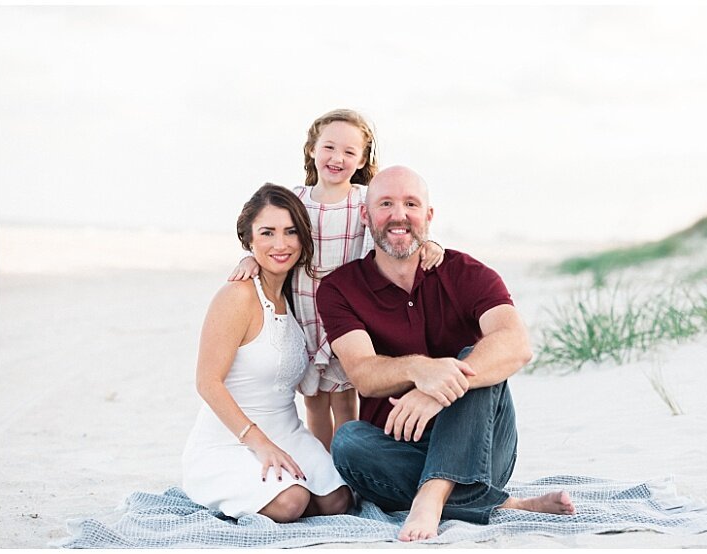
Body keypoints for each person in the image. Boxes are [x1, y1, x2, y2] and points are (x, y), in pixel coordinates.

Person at [316, 166, 574, 542]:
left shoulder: (467, 273)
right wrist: (421, 369)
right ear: (366, 215)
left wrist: (435, 391)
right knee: (348, 441)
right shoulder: (340, 288)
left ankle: (432, 495)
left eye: (411, 203)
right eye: (385, 203)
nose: (399, 215)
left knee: (477, 356)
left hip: (483, 446)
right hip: (396, 451)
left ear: (429, 216)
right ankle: (504, 505)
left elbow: (516, 343)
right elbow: (365, 375)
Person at [229, 110, 442, 450]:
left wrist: (429, 244)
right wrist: (248, 258)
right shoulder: (296, 199)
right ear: (312, 148)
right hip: (305, 310)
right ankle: (323, 464)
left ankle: (347, 466)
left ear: (361, 159)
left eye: (349, 152)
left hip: (347, 313)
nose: (337, 158)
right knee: (314, 398)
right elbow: (272, 239)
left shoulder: (364, 199)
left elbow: (394, 231)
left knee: (345, 397)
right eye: (329, 147)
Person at [182, 184, 352, 523]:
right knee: (292, 502)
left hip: (287, 431)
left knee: (338, 501)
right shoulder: (237, 296)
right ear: (249, 239)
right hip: (230, 440)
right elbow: (207, 382)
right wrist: (258, 442)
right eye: (267, 233)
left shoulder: (296, 294)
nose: (280, 244)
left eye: (291, 232)